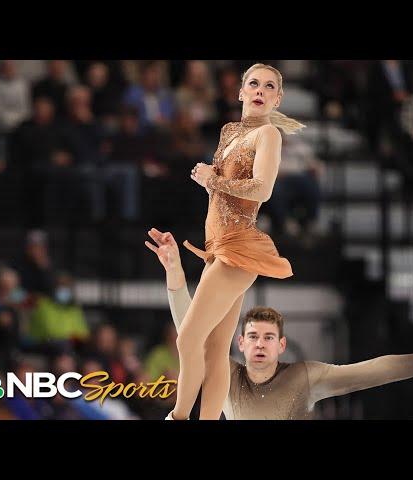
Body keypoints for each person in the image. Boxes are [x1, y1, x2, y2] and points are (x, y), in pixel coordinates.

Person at [144, 227, 413, 419]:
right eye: (253, 337)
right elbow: (191, 330)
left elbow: (374, 372)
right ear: (241, 344)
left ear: (281, 345)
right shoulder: (228, 377)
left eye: (267, 338)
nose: (260, 344)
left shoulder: (304, 378)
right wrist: (174, 271)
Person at [152, 64, 304, 420]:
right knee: (215, 349)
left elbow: (262, 190)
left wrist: (213, 180)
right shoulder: (229, 132)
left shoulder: (268, 135)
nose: (260, 91)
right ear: (240, 92)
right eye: (253, 84)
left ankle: (177, 417)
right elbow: (225, 190)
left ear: (277, 98)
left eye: (269, 87)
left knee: (187, 340)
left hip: (239, 248)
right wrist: (211, 182)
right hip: (218, 246)